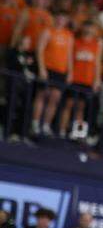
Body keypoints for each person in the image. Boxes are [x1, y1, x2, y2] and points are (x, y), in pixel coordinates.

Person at [31, 7, 74, 137]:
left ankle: (46, 125)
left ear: (67, 20)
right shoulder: (47, 31)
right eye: (59, 17)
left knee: (55, 98)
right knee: (42, 95)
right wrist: (42, 68)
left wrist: (70, 72)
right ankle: (35, 123)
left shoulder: (69, 35)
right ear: (55, 18)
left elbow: (69, 55)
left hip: (60, 71)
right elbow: (39, 50)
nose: (61, 20)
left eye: (64, 18)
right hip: (47, 68)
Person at [60, 20, 103, 140]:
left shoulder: (96, 44)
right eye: (87, 27)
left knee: (81, 107)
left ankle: (77, 134)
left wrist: (97, 79)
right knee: (68, 104)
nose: (89, 30)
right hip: (75, 78)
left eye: (92, 28)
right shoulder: (76, 41)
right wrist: (69, 73)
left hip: (87, 80)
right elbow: (69, 59)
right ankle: (62, 130)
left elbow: (97, 63)